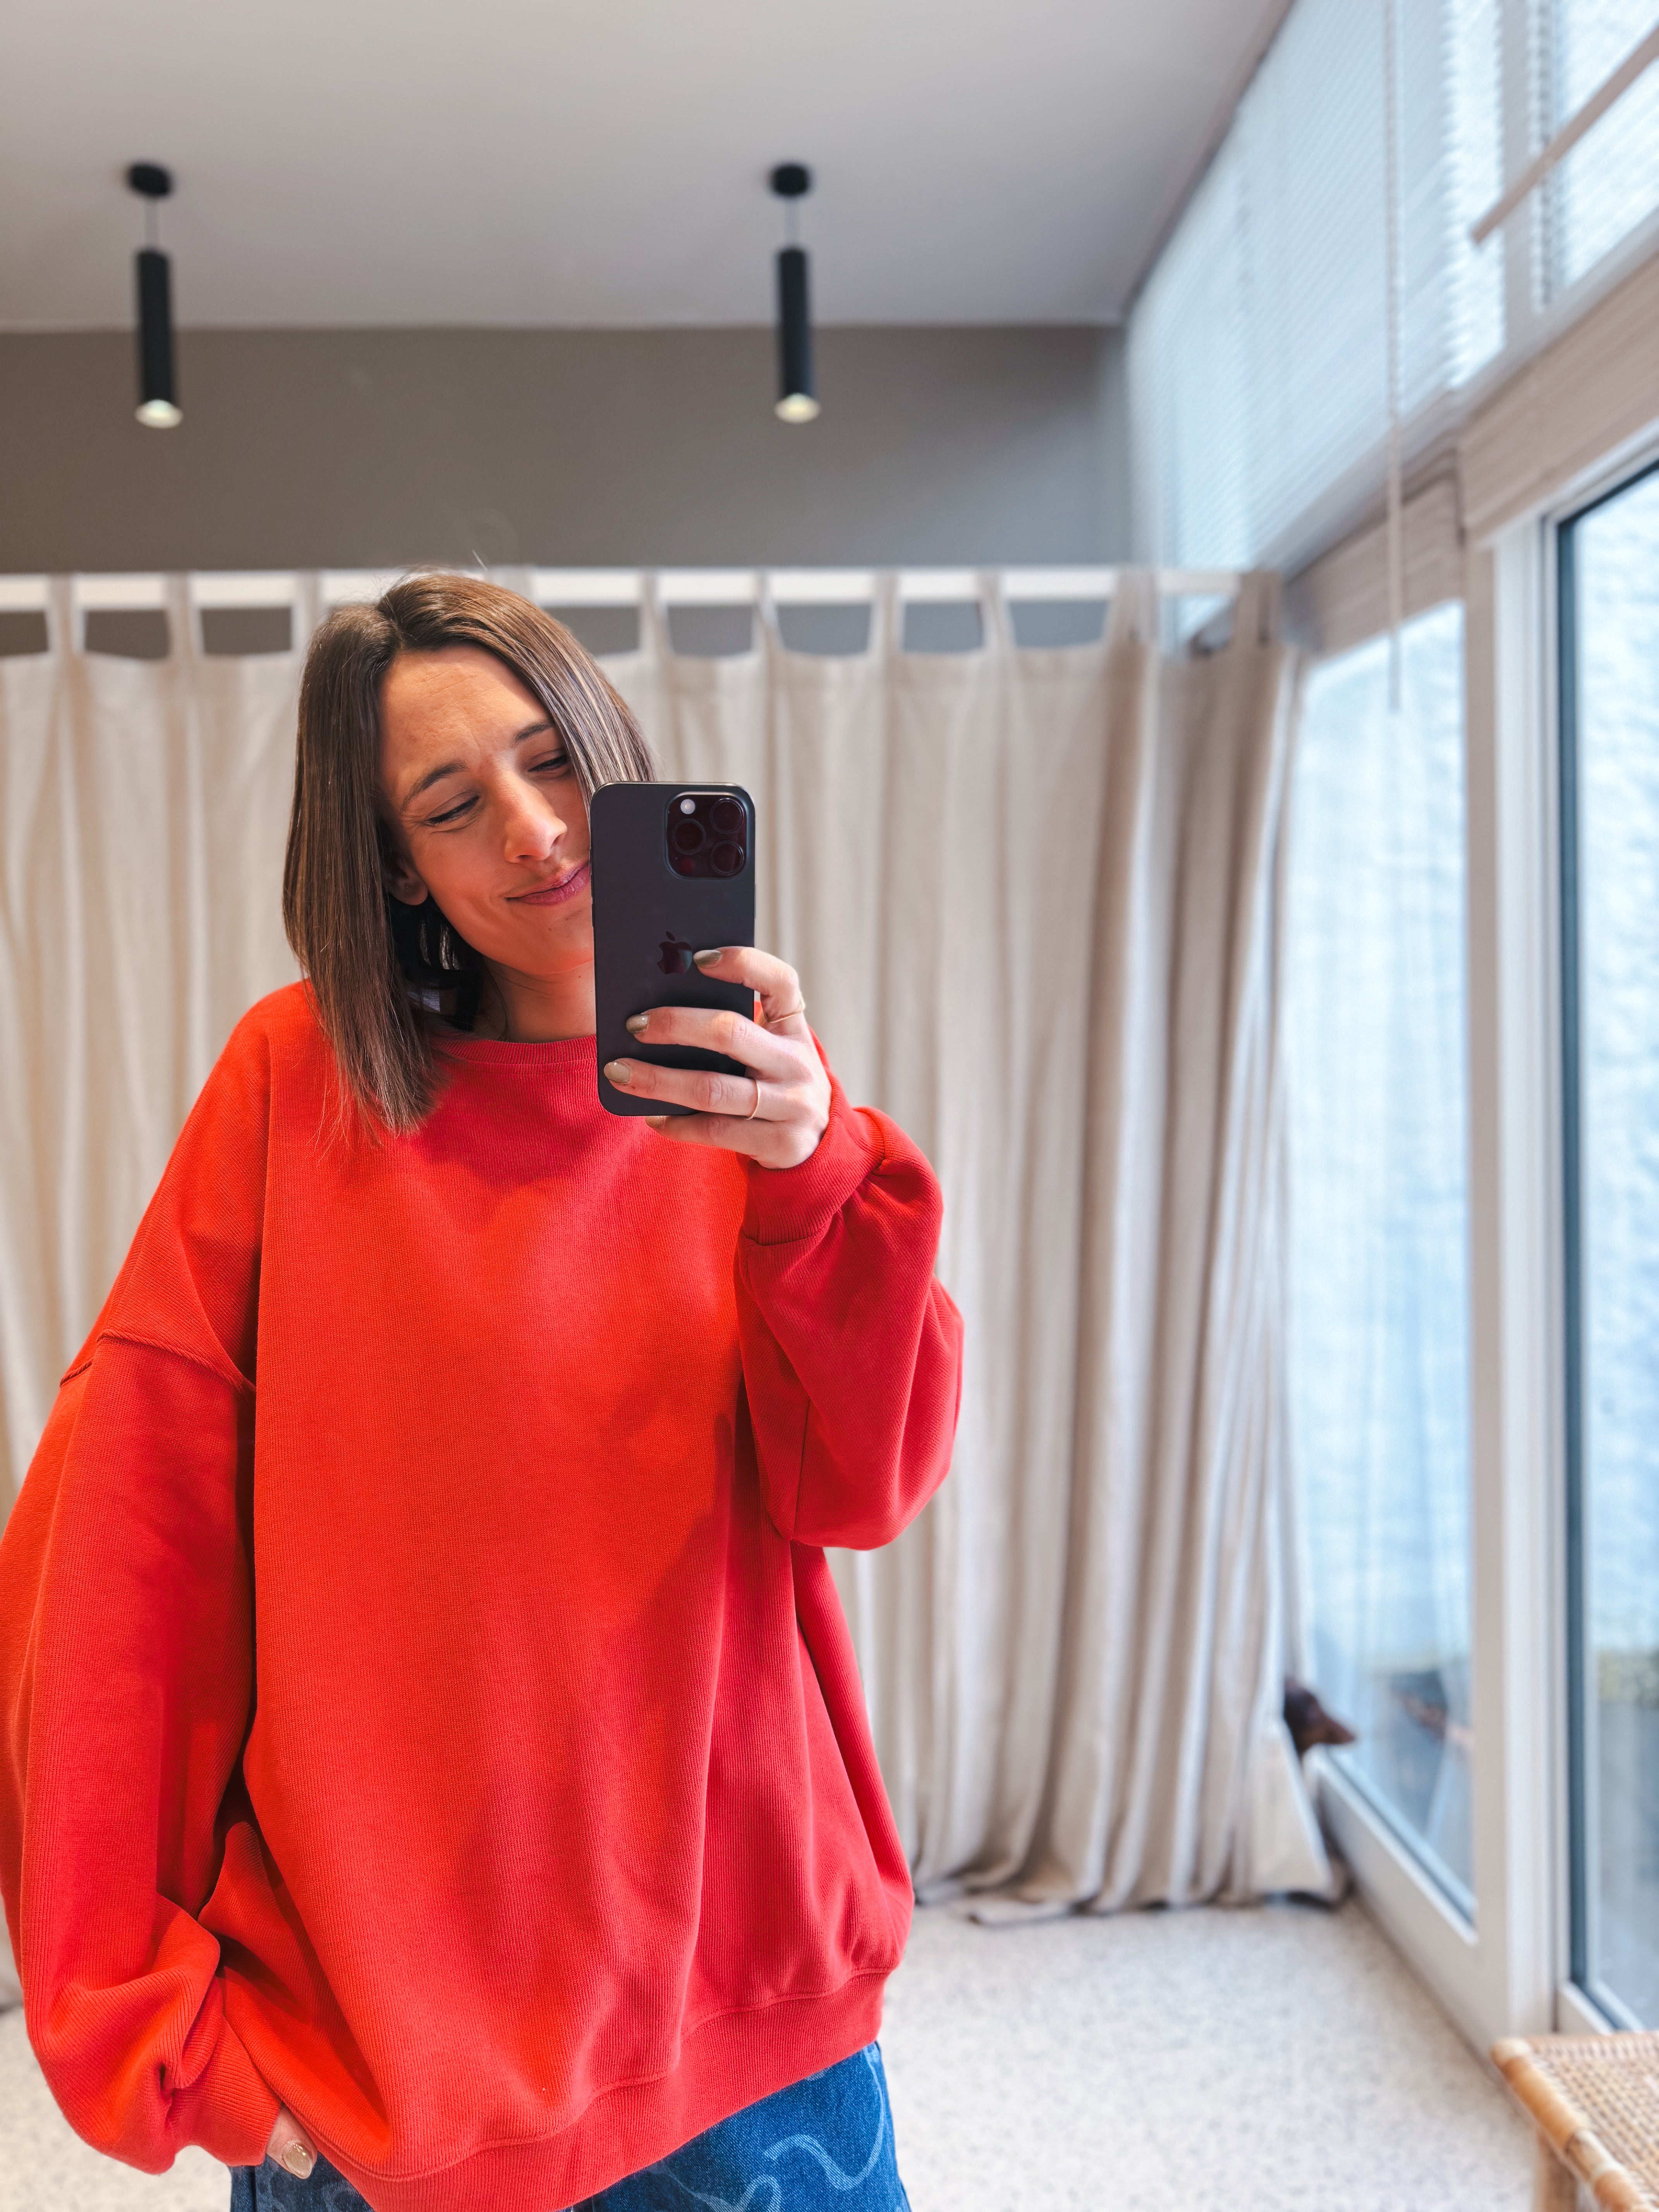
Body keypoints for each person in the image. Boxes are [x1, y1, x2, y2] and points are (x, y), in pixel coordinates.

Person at [0, 573, 963, 2212]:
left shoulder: (754, 1106)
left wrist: (816, 1172)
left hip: (750, 2034)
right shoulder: (296, 1089)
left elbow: (862, 1488)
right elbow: (121, 1544)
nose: (533, 830)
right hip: (388, 2075)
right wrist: (141, 2016)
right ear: (399, 867)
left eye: (553, 759)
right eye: (452, 805)